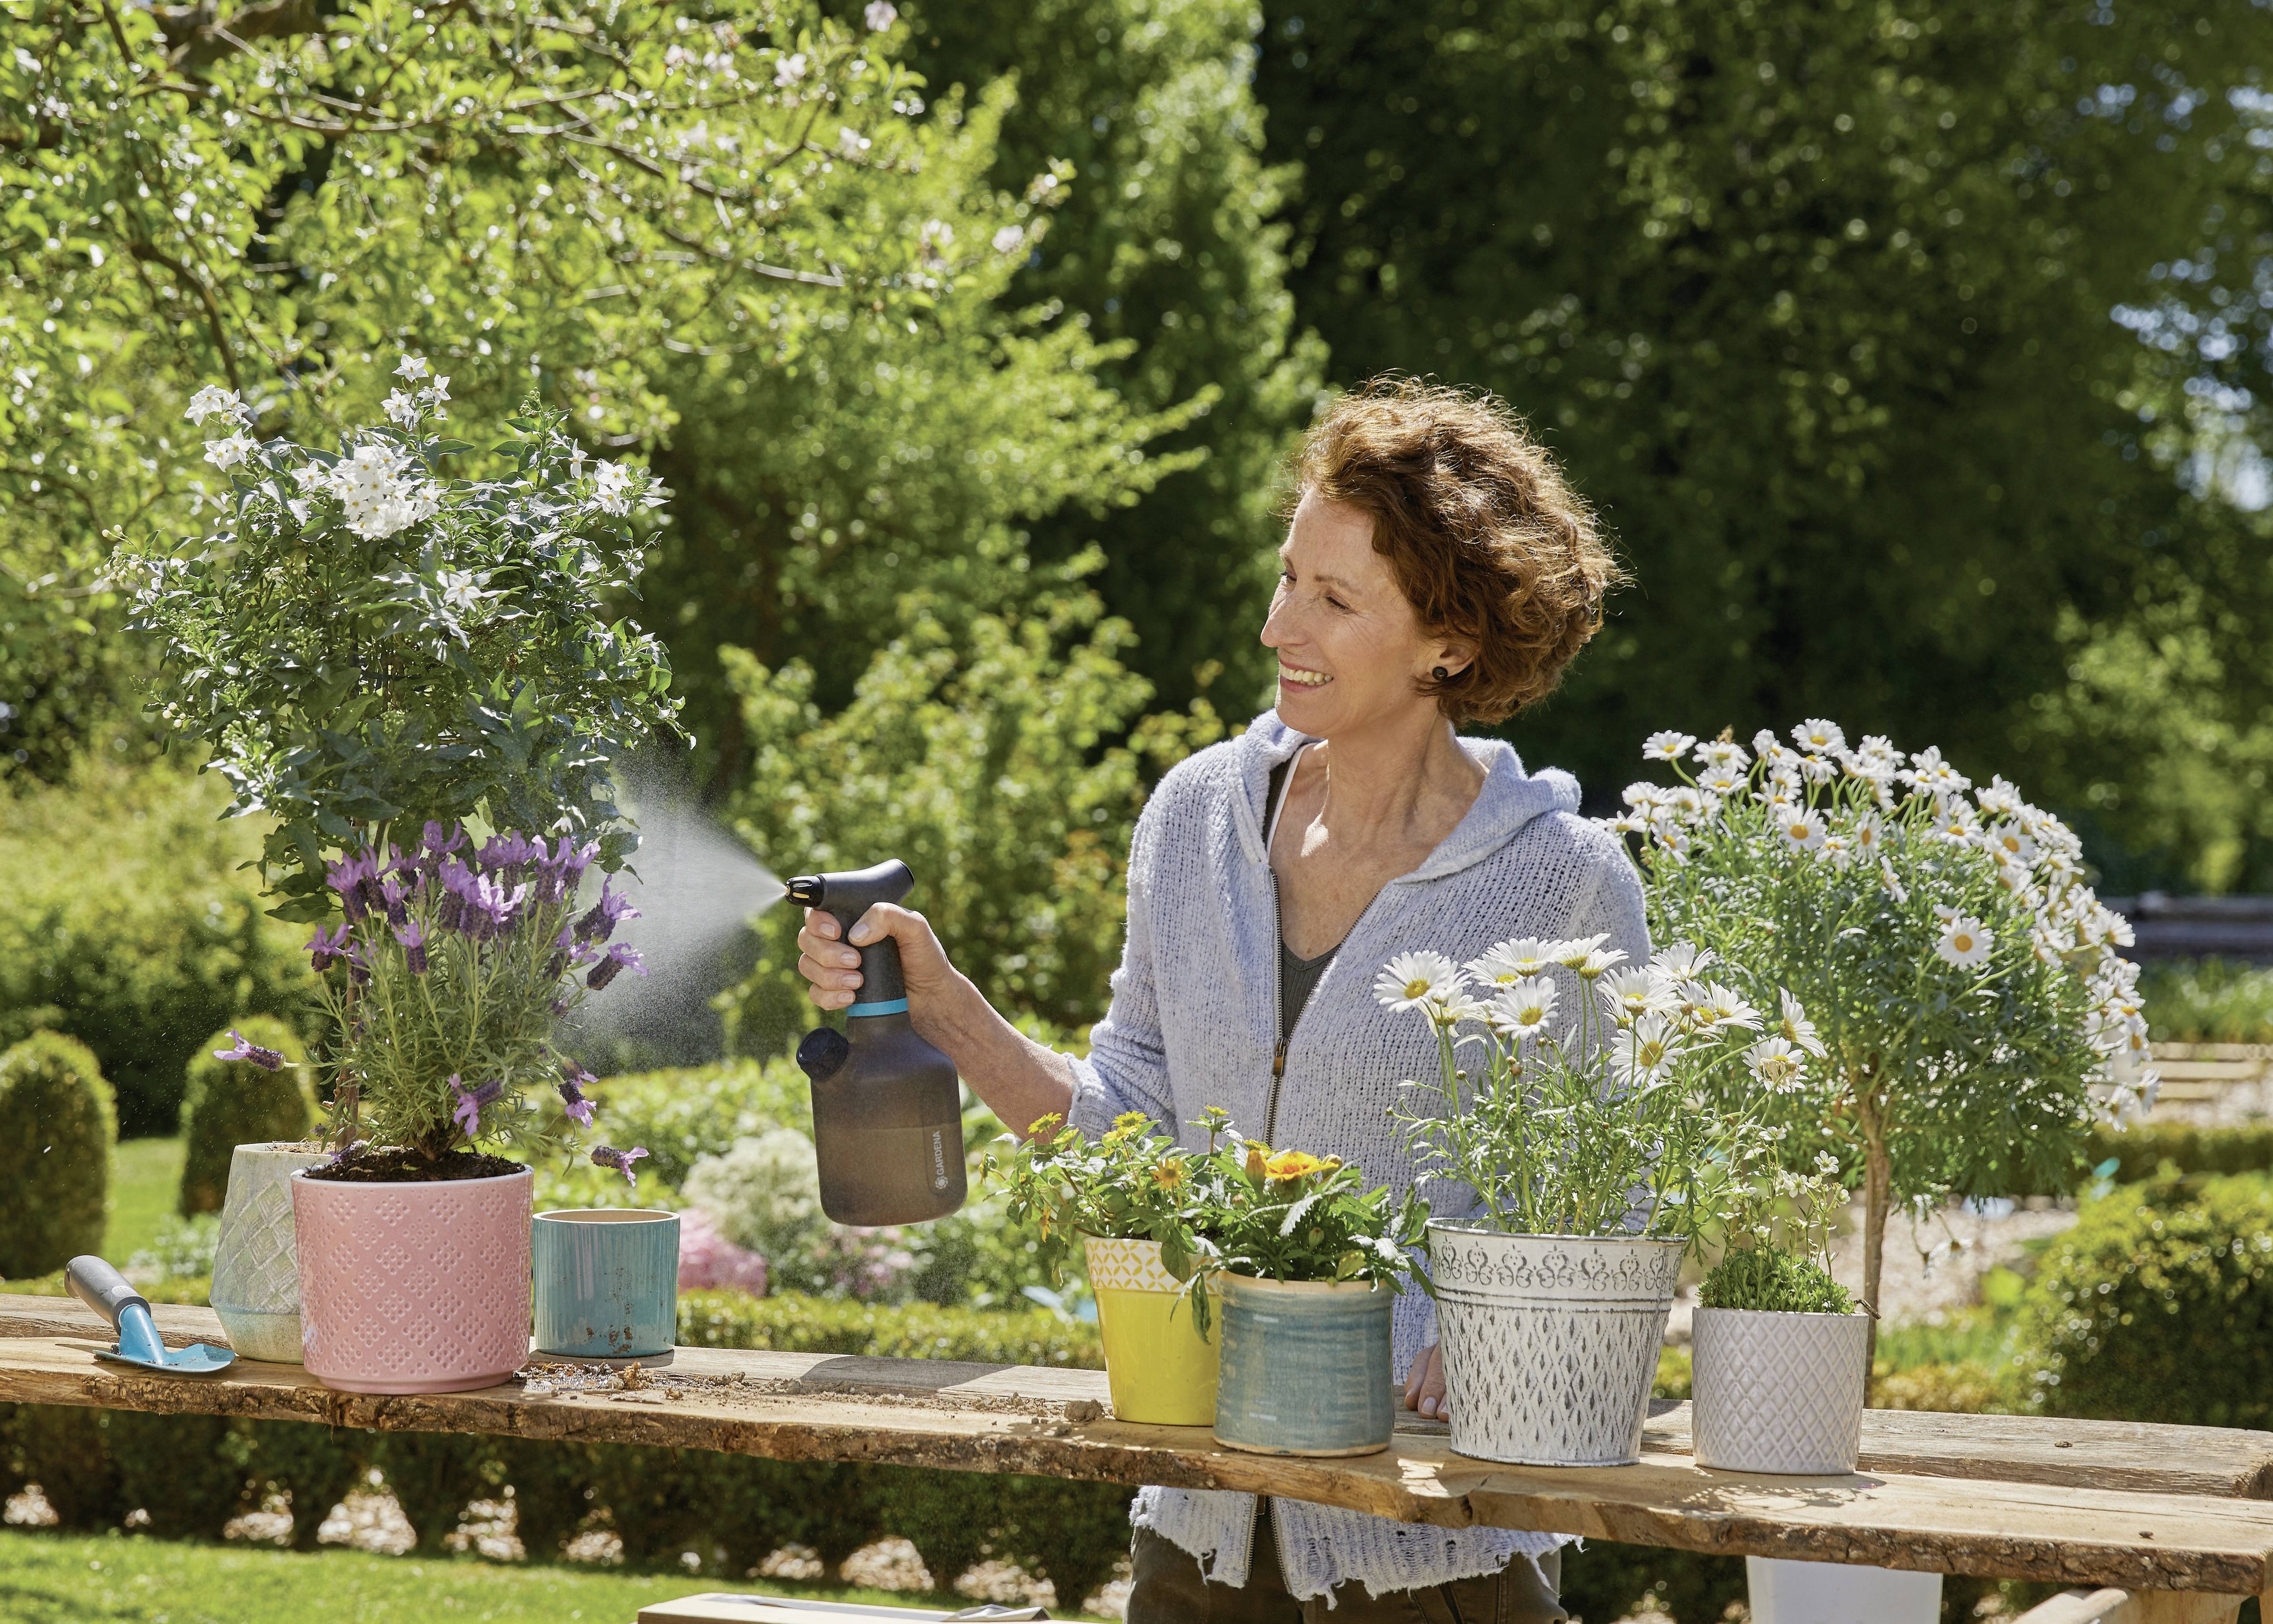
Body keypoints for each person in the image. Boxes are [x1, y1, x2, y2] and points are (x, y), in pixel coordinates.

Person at [796, 377, 1646, 1622]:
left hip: (1433, 1543)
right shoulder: (1195, 818)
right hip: (1195, 1535)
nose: (1275, 624)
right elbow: (1127, 1139)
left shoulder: (1564, 881)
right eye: (1289, 574)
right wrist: (948, 1012)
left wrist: (1504, 1337)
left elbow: (1625, 1190)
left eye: (1333, 597)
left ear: (1450, 642)